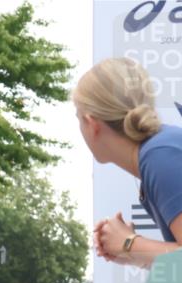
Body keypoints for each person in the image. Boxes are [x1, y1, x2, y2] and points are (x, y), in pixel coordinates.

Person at [74, 58, 181, 268]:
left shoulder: (161, 156)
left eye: (77, 117)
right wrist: (134, 253)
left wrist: (129, 244)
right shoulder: (161, 150)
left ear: (91, 123)